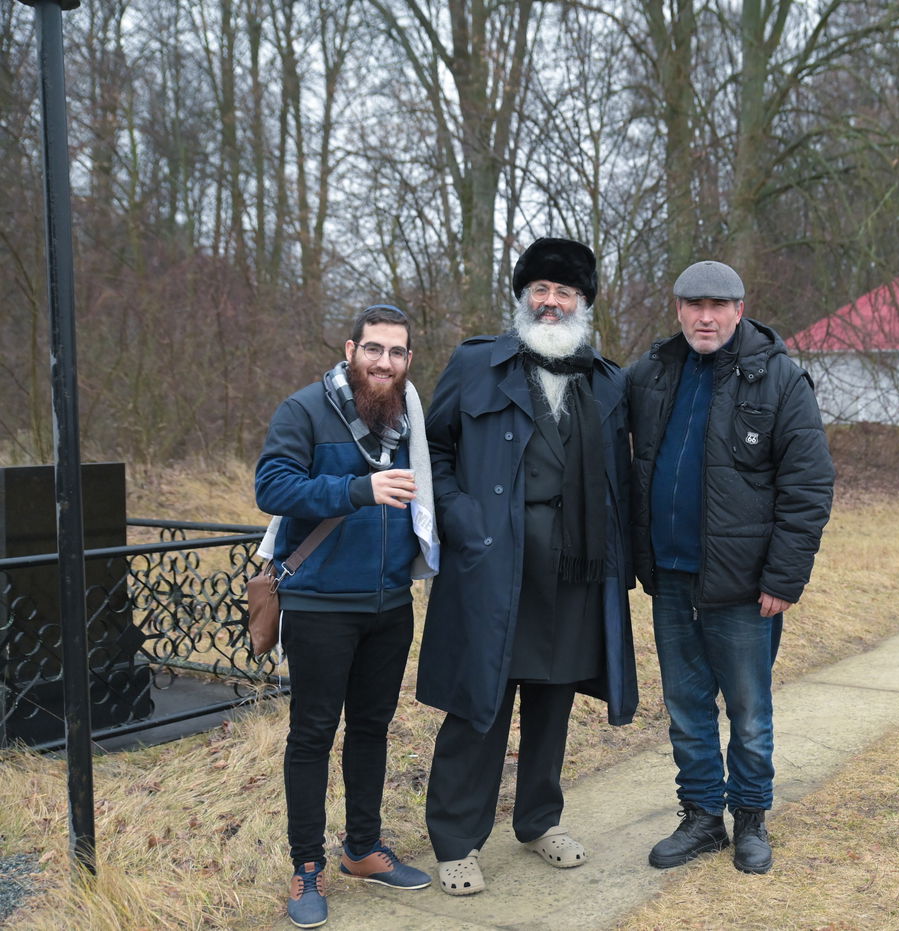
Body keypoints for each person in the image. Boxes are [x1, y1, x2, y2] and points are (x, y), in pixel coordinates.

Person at [417, 237, 637, 896]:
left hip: (574, 571)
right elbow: (433, 446)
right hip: (493, 564)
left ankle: (539, 819)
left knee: (554, 700)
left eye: (564, 291)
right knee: (478, 706)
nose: (551, 301)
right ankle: (456, 839)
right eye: (540, 289)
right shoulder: (476, 364)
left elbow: (621, 480)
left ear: (583, 302)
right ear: (522, 296)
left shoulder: (607, 380)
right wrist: (463, 521)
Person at [626, 260, 835, 875]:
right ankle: (700, 819)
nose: (706, 317)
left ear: (740, 309)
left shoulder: (780, 379)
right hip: (670, 576)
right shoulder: (653, 374)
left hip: (745, 587)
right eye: (694, 305)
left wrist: (783, 577)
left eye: (719, 305)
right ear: (679, 309)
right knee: (686, 707)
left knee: (747, 709)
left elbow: (809, 484)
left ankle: (750, 820)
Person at [254, 304, 438, 929]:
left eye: (396, 353)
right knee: (312, 735)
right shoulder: (305, 409)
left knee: (371, 729)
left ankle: (363, 848)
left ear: (408, 360)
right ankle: (307, 868)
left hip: (389, 603)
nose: (384, 363)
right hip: (319, 604)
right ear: (350, 349)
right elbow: (272, 488)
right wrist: (357, 490)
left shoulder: (411, 416)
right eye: (374, 349)